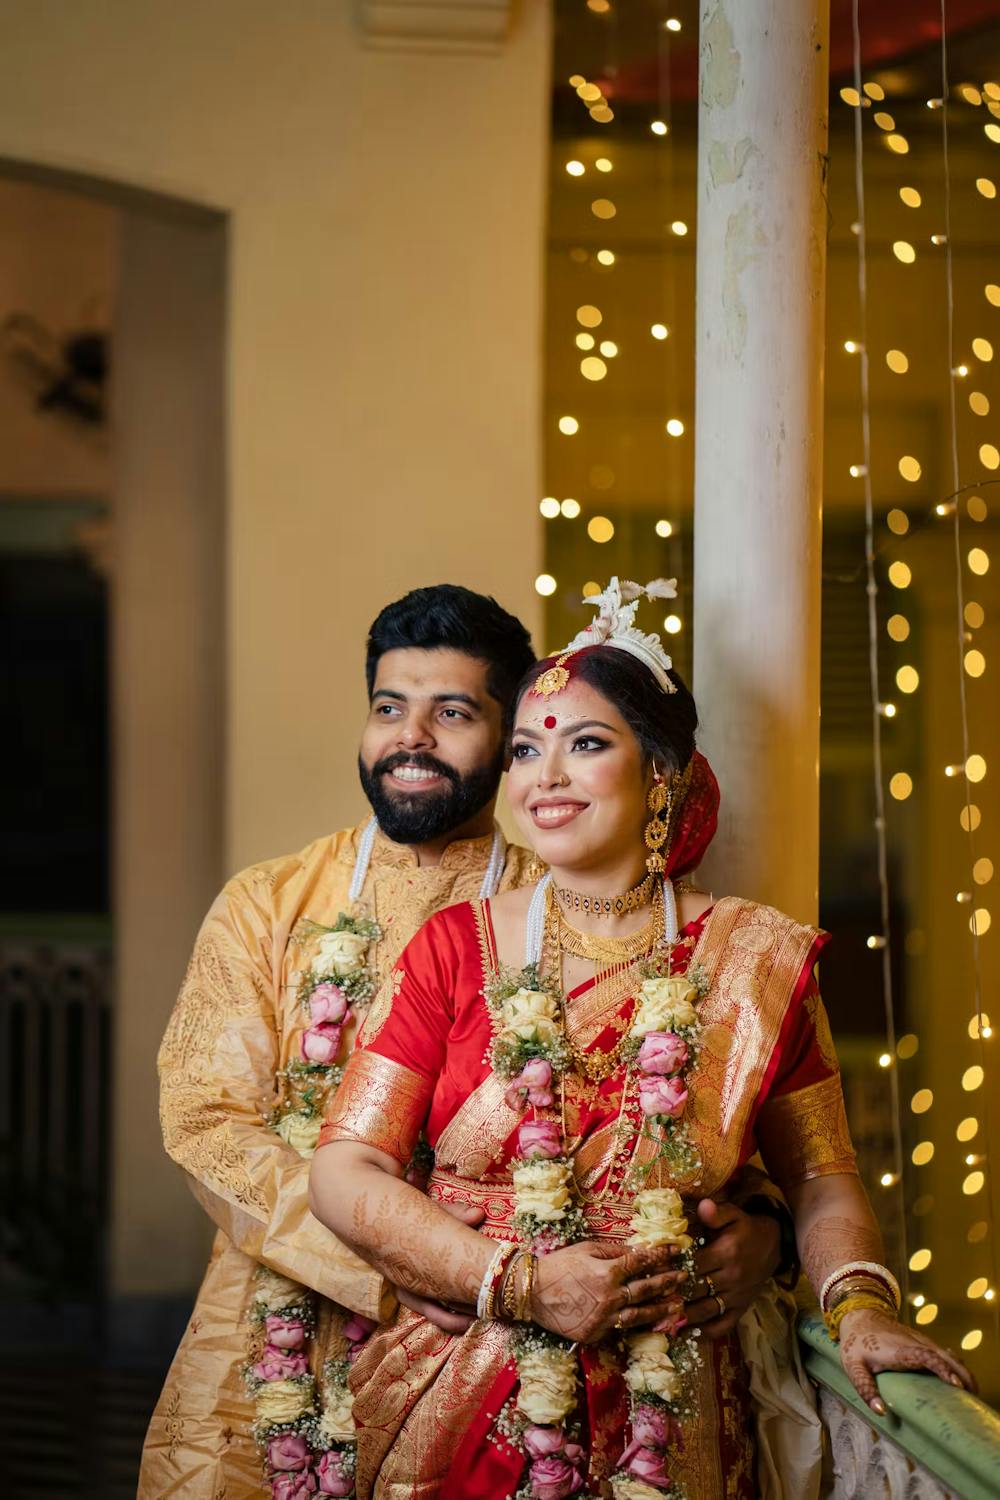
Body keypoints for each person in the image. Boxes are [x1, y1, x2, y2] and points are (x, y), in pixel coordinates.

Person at [310, 577, 975, 1500]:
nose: (546, 776)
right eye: (527, 750)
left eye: (585, 745)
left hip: (675, 1394)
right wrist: (519, 1283)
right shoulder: (454, 948)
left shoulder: (758, 961)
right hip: (457, 1382)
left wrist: (858, 1306)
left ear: (661, 773)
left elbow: (821, 1177)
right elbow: (344, 1169)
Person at [141, 581, 789, 1499]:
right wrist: (399, 1259)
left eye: (452, 713)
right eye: (388, 709)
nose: (411, 737)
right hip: (277, 1323)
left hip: (513, 1349)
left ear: (512, 732)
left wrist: (766, 1224)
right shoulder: (269, 901)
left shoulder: (577, 899)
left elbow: (680, 1103)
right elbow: (206, 1121)